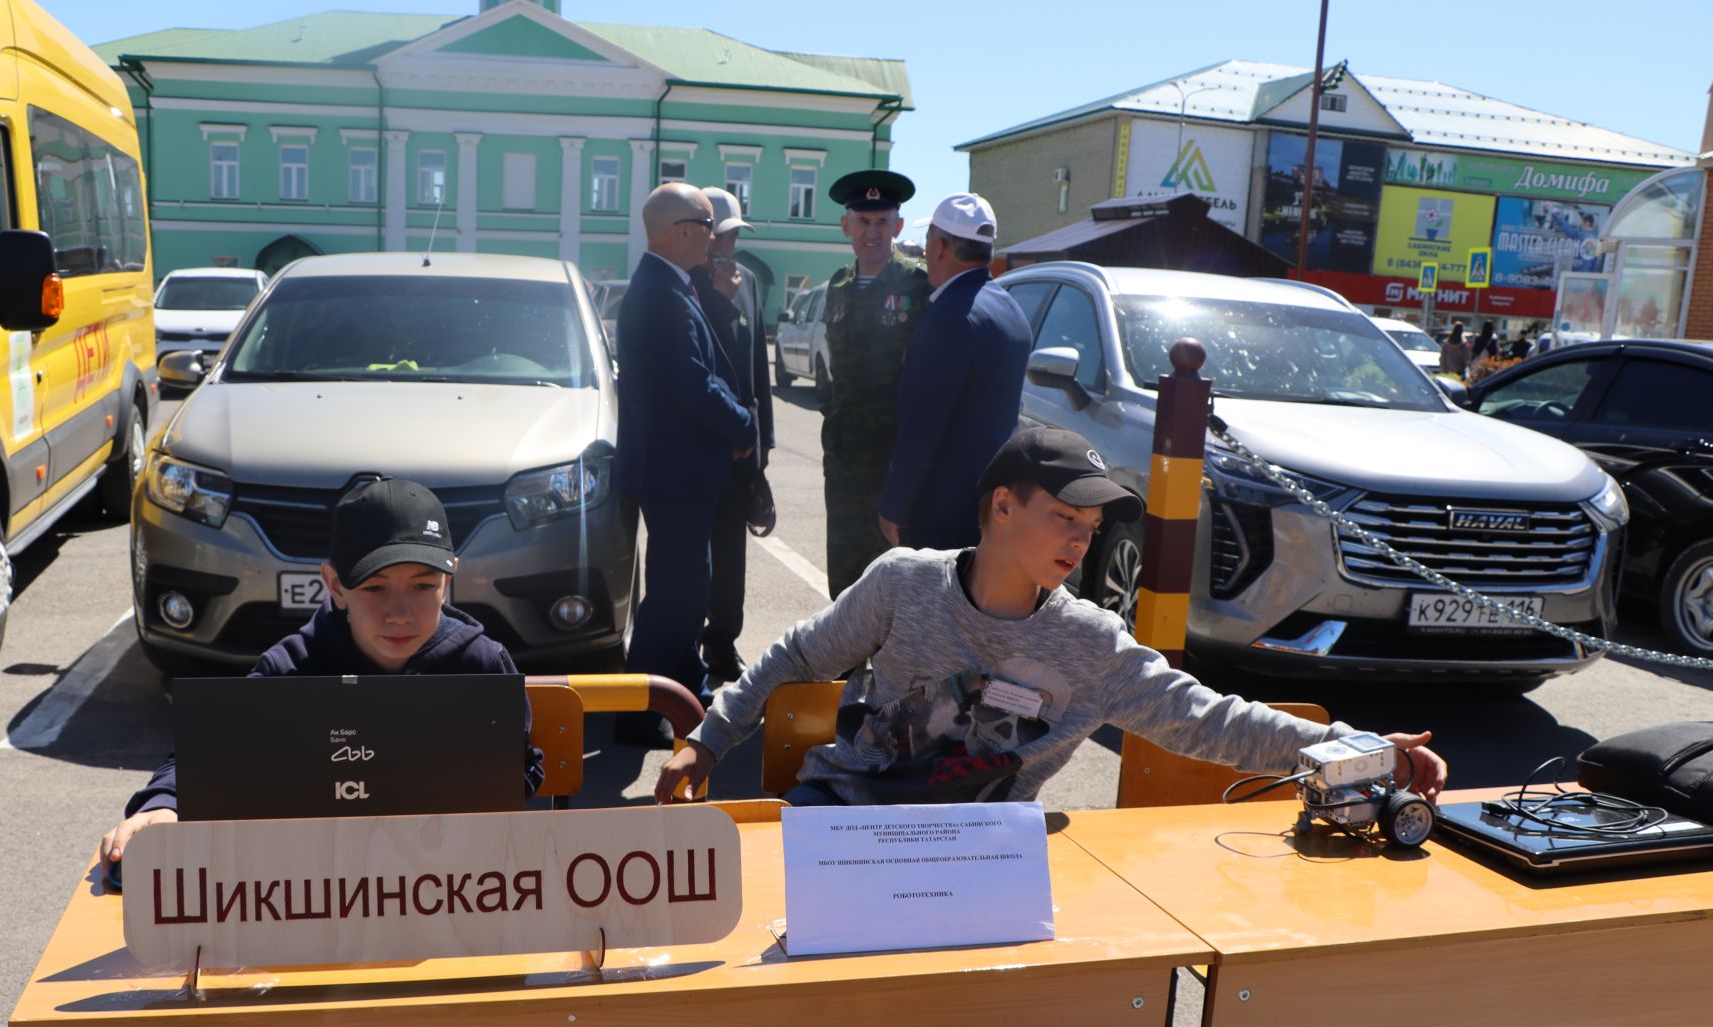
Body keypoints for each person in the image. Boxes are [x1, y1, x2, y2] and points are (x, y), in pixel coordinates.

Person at [655, 427, 1446, 808]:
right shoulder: (903, 585)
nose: (1080, 540)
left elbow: (1211, 722)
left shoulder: (1089, 644)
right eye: (1065, 517)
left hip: (982, 859)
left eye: (1090, 530)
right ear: (1002, 506)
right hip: (847, 823)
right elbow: (795, 659)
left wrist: (1364, 750)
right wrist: (706, 740)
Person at [97, 478, 544, 868]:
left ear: (449, 582)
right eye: (374, 588)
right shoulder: (290, 670)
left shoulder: (484, 668)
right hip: (318, 890)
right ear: (335, 586)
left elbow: (518, 770)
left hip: (450, 889)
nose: (400, 612)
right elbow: (209, 756)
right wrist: (164, 806)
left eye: (424, 585)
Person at [613, 182, 757, 747]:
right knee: (674, 595)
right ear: (680, 232)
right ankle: (636, 712)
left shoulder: (669, 285)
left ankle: (685, 692)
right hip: (674, 472)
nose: (714, 237)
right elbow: (693, 384)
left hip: (680, 468)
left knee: (686, 587)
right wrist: (741, 426)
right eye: (704, 225)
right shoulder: (660, 293)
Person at [877, 192, 1032, 553]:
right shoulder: (1010, 310)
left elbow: (923, 423)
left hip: (946, 511)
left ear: (941, 246)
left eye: (929, 239)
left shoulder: (952, 315)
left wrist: (894, 503)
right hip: (995, 503)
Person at [819, 168, 931, 600]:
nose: (873, 232)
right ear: (846, 225)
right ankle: (846, 666)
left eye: (882, 221)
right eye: (863, 221)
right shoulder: (838, 285)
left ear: (898, 226)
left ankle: (889, 667)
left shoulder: (918, 285)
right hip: (845, 457)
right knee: (843, 574)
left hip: (891, 459)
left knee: (892, 574)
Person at [692, 186, 775, 685]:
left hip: (740, 453)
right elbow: (700, 369)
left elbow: (756, 370)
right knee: (689, 559)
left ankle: (722, 643)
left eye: (734, 236)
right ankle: (685, 648)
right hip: (698, 450)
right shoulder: (686, 285)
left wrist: (762, 450)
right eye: (721, 237)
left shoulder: (746, 284)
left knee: (730, 559)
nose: (728, 247)